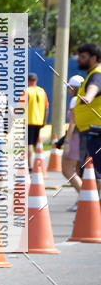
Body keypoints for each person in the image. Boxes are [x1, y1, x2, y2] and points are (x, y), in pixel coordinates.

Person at [73, 42, 101, 195]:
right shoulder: (92, 74)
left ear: (93, 58)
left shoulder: (97, 74)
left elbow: (94, 87)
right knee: (88, 170)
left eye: (83, 57)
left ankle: (94, 211)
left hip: (95, 132)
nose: (79, 59)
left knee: (94, 172)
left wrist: (88, 97)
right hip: (89, 131)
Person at [60, 75, 84, 210]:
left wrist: (67, 142)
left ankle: (85, 198)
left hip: (75, 137)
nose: (68, 90)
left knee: (66, 169)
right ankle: (83, 199)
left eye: (70, 88)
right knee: (76, 170)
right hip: (82, 137)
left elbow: (73, 123)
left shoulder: (75, 100)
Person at [26, 72, 49, 171]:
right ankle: (39, 165)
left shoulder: (26, 91)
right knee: (37, 144)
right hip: (39, 121)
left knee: (29, 144)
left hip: (29, 121)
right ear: (36, 80)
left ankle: (29, 166)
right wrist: (44, 121)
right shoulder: (42, 91)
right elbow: (46, 107)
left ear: (28, 81)